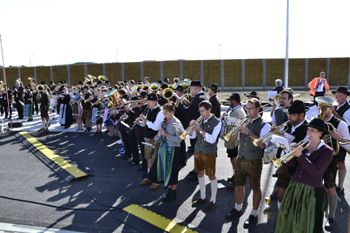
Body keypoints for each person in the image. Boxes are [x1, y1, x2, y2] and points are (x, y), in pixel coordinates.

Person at [274, 118, 333, 233]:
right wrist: (288, 152)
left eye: (312, 130)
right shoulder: (303, 144)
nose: (309, 133)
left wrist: (300, 155)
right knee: (290, 218)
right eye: (308, 130)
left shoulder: (327, 151)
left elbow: (315, 171)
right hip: (295, 186)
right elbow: (292, 165)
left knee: (307, 223)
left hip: (312, 191)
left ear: (320, 133)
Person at [226, 98, 271, 229]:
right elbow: (234, 139)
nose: (248, 111)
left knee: (255, 188)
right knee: (238, 186)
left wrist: (249, 132)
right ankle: (237, 208)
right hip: (241, 159)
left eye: (251, 108)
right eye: (247, 108)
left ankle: (254, 213)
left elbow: (263, 145)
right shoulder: (244, 121)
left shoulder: (264, 125)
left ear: (258, 109)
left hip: (254, 161)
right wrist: (235, 131)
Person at [274, 100, 308, 209]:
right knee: (280, 194)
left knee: (295, 198)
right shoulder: (288, 124)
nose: (289, 117)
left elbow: (305, 148)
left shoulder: (308, 128)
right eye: (289, 114)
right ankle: (281, 219)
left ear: (301, 115)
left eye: (293, 115)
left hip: (297, 167)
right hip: (283, 165)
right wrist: (276, 133)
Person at [322, 104, 350, 230]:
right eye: (319, 106)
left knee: (330, 188)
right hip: (316, 158)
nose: (321, 110)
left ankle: (331, 217)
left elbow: (348, 146)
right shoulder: (314, 120)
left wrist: (339, 139)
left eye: (324, 107)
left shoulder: (340, 124)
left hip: (331, 160)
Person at [190, 100, 222, 212]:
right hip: (198, 150)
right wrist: (191, 129)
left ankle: (213, 200)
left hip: (209, 152)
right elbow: (193, 137)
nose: (201, 113)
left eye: (203, 111)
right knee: (200, 173)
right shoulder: (200, 120)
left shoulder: (217, 122)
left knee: (211, 175)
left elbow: (213, 140)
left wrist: (201, 130)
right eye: (200, 111)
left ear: (209, 110)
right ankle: (203, 197)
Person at [157, 103, 183, 202]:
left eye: (166, 113)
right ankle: (168, 191)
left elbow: (180, 139)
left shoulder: (177, 123)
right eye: (163, 113)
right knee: (167, 171)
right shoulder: (164, 121)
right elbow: (162, 134)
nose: (164, 115)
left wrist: (166, 134)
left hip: (174, 150)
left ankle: (173, 192)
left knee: (173, 172)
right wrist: (159, 136)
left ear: (172, 112)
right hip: (165, 149)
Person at [139, 93, 165, 190]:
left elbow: (156, 127)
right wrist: (141, 123)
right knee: (148, 158)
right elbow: (148, 124)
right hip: (148, 138)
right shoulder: (150, 110)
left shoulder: (160, 112)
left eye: (149, 101)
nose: (147, 103)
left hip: (155, 139)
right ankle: (149, 177)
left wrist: (145, 120)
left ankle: (156, 179)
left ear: (154, 101)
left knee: (155, 160)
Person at [222, 93, 246, 189]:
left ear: (234, 101)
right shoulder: (236, 110)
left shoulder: (237, 112)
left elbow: (233, 126)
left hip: (235, 140)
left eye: (230, 101)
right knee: (233, 158)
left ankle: (237, 179)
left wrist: (225, 119)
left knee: (234, 159)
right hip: (234, 139)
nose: (229, 102)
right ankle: (235, 175)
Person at [330, 86, 350, 196]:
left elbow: (346, 124)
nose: (336, 98)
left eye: (339, 96)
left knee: (340, 162)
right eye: (336, 95)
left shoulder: (348, 109)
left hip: (343, 138)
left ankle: (340, 186)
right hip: (332, 136)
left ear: (345, 96)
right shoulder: (335, 105)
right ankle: (330, 184)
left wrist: (334, 113)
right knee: (330, 162)